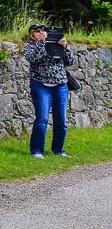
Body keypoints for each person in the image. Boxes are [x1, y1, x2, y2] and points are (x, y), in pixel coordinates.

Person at [24, 24, 74, 158]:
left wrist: (65, 47)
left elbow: (70, 62)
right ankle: (37, 151)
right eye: (37, 31)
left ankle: (59, 150)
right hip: (41, 86)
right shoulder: (30, 46)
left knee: (61, 120)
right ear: (32, 35)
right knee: (42, 119)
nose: (41, 33)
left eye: (43, 31)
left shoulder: (57, 43)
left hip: (60, 85)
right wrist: (42, 43)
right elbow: (34, 58)